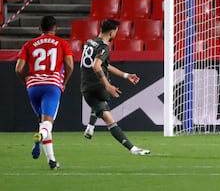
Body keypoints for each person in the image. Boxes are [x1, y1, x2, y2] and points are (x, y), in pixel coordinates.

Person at [80, 19, 150, 156]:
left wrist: (125, 75)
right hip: (98, 86)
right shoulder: (104, 47)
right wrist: (108, 85)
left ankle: (90, 126)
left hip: (86, 87)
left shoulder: (90, 42)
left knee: (103, 108)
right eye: (116, 31)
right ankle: (133, 149)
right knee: (107, 111)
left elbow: (103, 65)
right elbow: (97, 65)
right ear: (112, 32)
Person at [15, 16, 74, 170]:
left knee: (44, 123)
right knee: (48, 123)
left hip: (33, 87)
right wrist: (64, 81)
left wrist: (26, 82)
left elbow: (18, 69)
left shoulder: (29, 44)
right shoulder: (62, 43)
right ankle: (39, 137)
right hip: (52, 85)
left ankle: (52, 161)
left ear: (39, 29)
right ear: (55, 29)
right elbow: (70, 65)